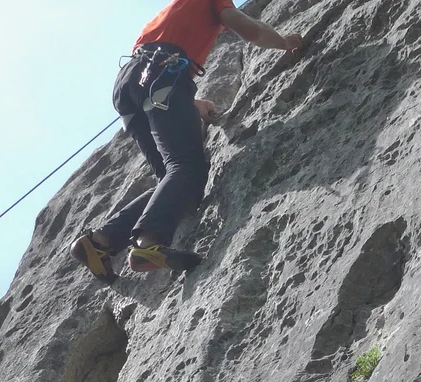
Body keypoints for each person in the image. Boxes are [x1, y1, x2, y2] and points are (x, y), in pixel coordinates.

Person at [71, 0, 302, 283]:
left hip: (129, 85)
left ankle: (100, 241)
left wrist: (189, 104)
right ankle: (148, 245)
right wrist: (283, 41)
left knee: (173, 181)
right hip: (161, 73)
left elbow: (148, 81)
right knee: (186, 167)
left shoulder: (168, 14)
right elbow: (249, 29)